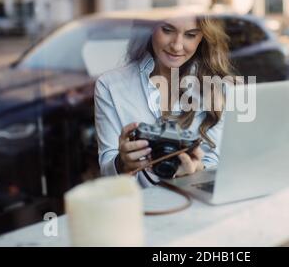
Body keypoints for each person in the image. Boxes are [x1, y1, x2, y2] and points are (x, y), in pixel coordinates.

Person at [94, 14, 234, 187]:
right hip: (142, 208)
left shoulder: (218, 87)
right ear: (148, 29)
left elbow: (222, 164)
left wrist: (198, 169)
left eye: (190, 35)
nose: (176, 46)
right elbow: (107, 173)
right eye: (167, 30)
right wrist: (122, 164)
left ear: (203, 37)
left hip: (198, 206)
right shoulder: (110, 85)